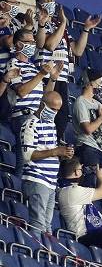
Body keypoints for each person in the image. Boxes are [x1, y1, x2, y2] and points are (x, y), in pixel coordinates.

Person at [34, 0, 102, 140]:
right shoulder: (36, 21)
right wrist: (64, 23)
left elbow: (77, 50)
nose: (50, 3)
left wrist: (86, 29)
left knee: (62, 117)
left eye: (52, 1)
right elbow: (50, 45)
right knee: (45, 111)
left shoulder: (59, 25)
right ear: (38, 3)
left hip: (62, 78)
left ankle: (55, 143)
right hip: (46, 75)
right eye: (46, 1)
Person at [8, 28, 60, 175]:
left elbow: (45, 96)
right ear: (19, 44)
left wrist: (52, 78)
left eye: (33, 42)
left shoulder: (32, 67)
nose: (33, 44)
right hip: (22, 116)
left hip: (37, 117)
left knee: (37, 161)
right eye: (29, 42)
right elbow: (21, 91)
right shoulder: (13, 63)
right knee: (24, 161)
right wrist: (41, 74)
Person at [21, 91, 73, 233]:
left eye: (57, 110)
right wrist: (56, 151)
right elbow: (28, 155)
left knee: (47, 227)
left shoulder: (51, 124)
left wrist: (63, 154)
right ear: (42, 105)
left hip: (51, 181)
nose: (55, 113)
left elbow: (50, 152)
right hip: (37, 178)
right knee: (38, 224)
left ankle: (45, 247)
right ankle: (35, 246)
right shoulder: (30, 124)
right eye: (52, 109)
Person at [72, 68, 102, 187]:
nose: (101, 85)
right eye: (99, 82)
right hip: (88, 147)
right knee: (91, 184)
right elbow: (88, 129)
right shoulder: (81, 101)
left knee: (101, 187)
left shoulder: (98, 104)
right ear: (90, 82)